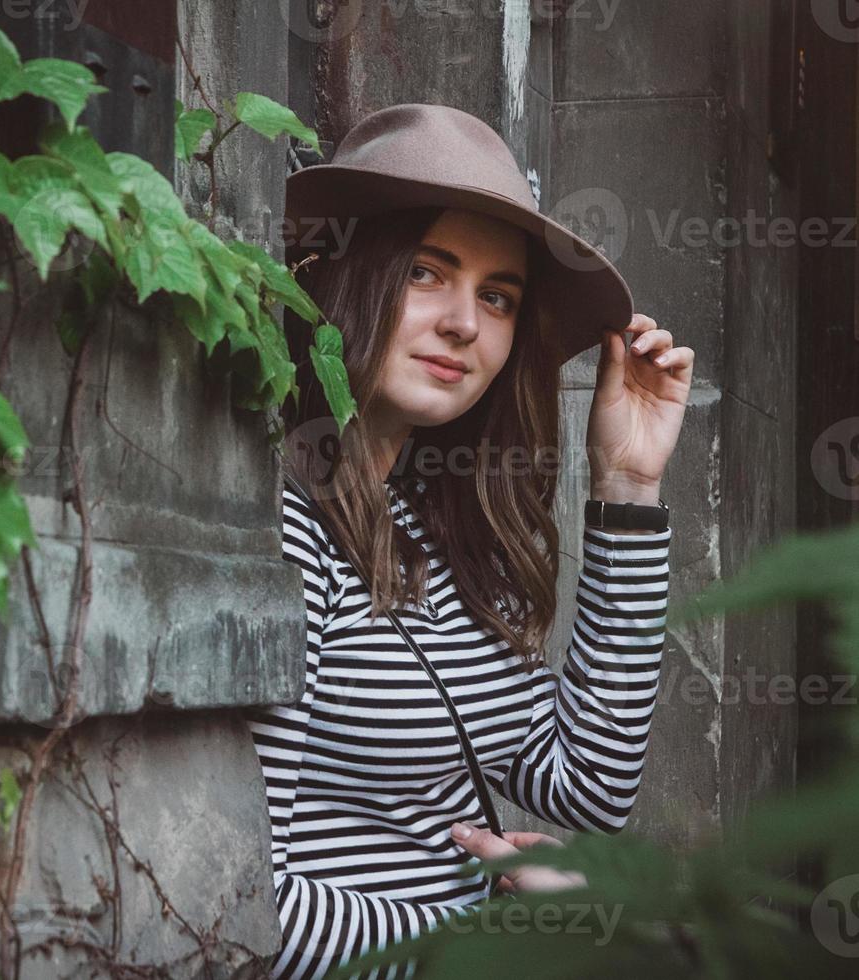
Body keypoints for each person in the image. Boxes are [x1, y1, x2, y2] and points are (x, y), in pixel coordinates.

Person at [249, 104, 693, 979]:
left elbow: (586, 790)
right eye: (427, 272)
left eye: (497, 296)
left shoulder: (437, 534)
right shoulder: (283, 531)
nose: (465, 323)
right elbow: (238, 899)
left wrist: (629, 488)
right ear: (345, 277)